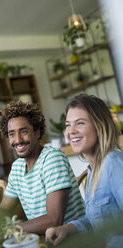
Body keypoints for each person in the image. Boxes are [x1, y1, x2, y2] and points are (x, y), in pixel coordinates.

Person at [0, 100, 85, 235]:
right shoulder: (17, 167)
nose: (17, 140)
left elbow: (54, 220)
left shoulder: (52, 159)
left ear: (37, 132)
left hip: (74, 239)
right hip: (43, 239)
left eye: (23, 131)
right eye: (11, 134)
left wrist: (12, 229)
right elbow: (4, 209)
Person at [46, 93, 123, 247]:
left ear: (100, 125)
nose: (71, 131)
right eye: (68, 125)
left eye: (80, 123)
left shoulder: (112, 162)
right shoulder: (92, 169)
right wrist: (67, 228)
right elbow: (95, 220)